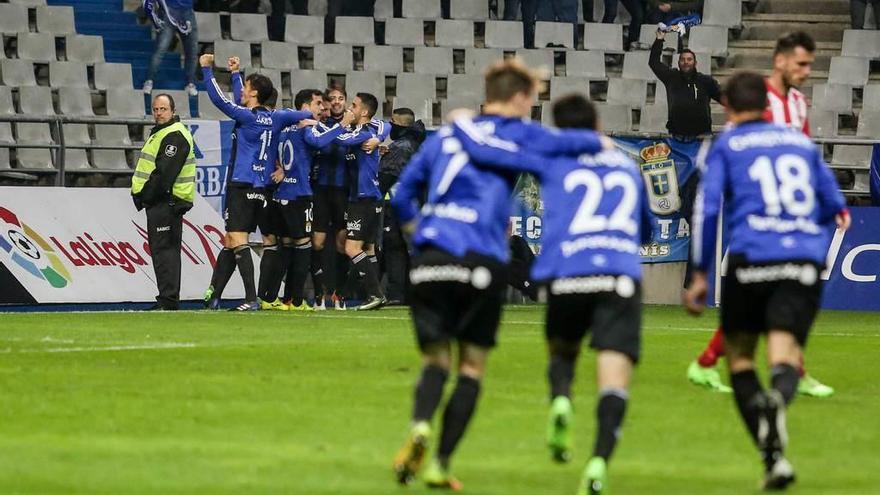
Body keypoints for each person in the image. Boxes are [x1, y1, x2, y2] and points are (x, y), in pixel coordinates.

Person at [389, 59, 609, 491]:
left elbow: (400, 197)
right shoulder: (521, 132)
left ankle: (419, 425)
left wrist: (421, 240)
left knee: (435, 361)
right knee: (470, 367)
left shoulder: (448, 134)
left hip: (432, 257)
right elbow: (571, 150)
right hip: (482, 258)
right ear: (520, 98)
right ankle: (442, 462)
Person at [450, 93, 649, 495]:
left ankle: (561, 397)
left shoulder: (551, 161)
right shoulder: (626, 166)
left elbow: (488, 150)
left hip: (567, 274)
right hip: (617, 276)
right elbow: (644, 230)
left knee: (563, 352)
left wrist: (461, 121)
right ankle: (597, 462)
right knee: (614, 378)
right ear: (596, 125)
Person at [683, 71, 849, 490]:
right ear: (767, 103)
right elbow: (833, 203)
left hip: (751, 259)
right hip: (800, 261)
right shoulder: (800, 144)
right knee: (784, 356)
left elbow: (706, 210)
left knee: (739, 360)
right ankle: (777, 411)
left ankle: (771, 456)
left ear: (727, 107)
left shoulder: (726, 145)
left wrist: (701, 274)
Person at [687, 32, 836, 398]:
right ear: (780, 60)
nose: (806, 71)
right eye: (801, 63)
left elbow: (803, 154)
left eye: (809, 65)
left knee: (766, 300)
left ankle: (710, 363)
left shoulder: (799, 103)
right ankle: (783, 371)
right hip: (755, 211)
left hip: (787, 209)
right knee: (765, 300)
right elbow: (735, 150)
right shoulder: (755, 100)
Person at [199, 54, 312, 311]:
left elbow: (218, 98)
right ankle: (214, 295)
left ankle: (251, 298)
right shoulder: (276, 117)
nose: (241, 91)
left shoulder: (246, 117)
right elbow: (302, 113)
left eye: (245, 87)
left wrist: (207, 70)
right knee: (231, 240)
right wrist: (237, 74)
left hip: (241, 184)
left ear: (253, 93)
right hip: (261, 188)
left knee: (238, 239)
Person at [263, 89, 354, 311]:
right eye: (318, 104)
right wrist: (341, 126)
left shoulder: (284, 126)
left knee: (285, 248)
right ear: (305, 107)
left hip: (281, 194)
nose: (322, 108)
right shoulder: (306, 127)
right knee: (303, 246)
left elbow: (272, 150)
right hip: (299, 195)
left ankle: (271, 297)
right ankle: (295, 300)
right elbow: (319, 142)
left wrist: (283, 169)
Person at [131, 93, 196, 310]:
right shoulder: (164, 133)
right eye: (156, 109)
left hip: (165, 201)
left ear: (173, 111)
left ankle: (168, 300)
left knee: (165, 252)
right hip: (162, 201)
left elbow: (164, 174)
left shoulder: (174, 136)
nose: (158, 113)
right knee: (163, 251)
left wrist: (146, 195)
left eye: (163, 109)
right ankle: (167, 299)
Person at [336, 93, 389, 310]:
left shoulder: (363, 133)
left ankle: (376, 294)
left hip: (365, 199)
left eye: (354, 105)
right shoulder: (367, 132)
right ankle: (374, 295)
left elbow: (338, 138)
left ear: (364, 112)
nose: (350, 108)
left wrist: (341, 124)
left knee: (351, 248)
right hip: (363, 198)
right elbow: (387, 126)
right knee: (367, 249)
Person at [379, 107, 426, 305]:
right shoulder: (418, 144)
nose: (390, 125)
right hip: (417, 204)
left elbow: (388, 176)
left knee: (395, 248)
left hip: (398, 205)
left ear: (401, 125)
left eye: (393, 122)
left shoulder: (401, 147)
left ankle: (397, 294)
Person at [649, 29, 721, 140]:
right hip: (677, 137)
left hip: (702, 136)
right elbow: (654, 62)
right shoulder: (671, 77)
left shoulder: (706, 81)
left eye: (689, 59)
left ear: (695, 63)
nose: (686, 62)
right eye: (682, 60)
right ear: (678, 63)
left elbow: (725, 99)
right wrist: (659, 40)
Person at [142, 0, 199, 97]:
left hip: (188, 12)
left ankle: (190, 83)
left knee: (192, 51)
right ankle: (149, 80)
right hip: (168, 10)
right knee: (161, 49)